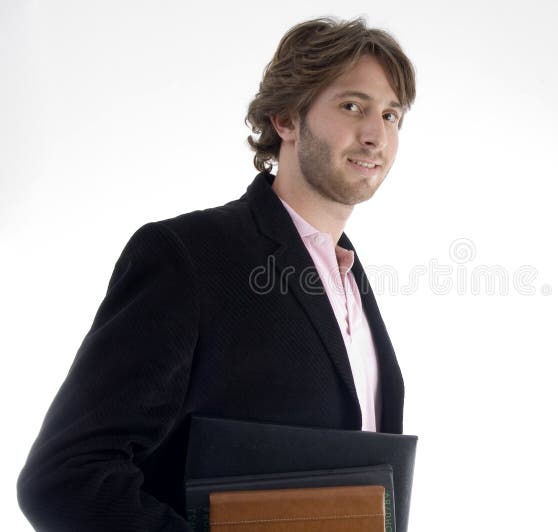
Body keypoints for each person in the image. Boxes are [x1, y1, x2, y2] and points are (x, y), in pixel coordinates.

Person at [17, 16, 415, 531]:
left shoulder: (347, 275)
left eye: (391, 115)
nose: (375, 135)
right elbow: (64, 478)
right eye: (352, 106)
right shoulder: (188, 256)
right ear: (286, 119)